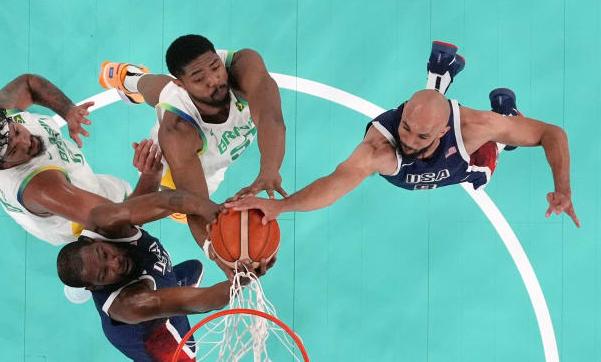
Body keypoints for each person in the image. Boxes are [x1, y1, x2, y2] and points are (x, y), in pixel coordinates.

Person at [227, 42, 581, 228]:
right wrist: (282, 206)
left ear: (444, 131)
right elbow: (336, 182)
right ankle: (444, 81)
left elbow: (552, 133)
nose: (408, 139)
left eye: (421, 136)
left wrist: (562, 189)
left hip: (464, 160)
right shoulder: (380, 147)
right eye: (406, 127)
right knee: (425, 118)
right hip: (426, 143)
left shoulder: (474, 127)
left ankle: (505, 116)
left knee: (488, 164)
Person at [0, 74, 165, 300]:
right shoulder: (41, 187)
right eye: (13, 151)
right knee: (110, 261)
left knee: (118, 191)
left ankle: (77, 278)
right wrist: (151, 176)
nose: (26, 141)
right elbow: (121, 220)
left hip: (78, 186)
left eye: (15, 132)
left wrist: (69, 111)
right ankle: (81, 284)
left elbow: (28, 84)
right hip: (72, 218)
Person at [100, 35, 287, 273]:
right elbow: (193, 202)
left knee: (161, 88)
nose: (214, 81)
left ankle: (132, 78)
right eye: (199, 78)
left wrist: (270, 169)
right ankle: (130, 78)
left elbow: (272, 118)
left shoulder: (244, 67)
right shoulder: (177, 130)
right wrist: (218, 255)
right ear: (183, 84)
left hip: (217, 151)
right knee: (180, 209)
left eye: (216, 68)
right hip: (193, 157)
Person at [57, 189, 270, 362]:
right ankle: (171, 301)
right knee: (184, 354)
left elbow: (165, 201)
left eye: (104, 253)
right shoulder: (131, 304)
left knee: (189, 269)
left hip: (152, 289)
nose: (115, 262)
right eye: (104, 273)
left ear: (94, 241)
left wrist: (215, 211)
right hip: (152, 337)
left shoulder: (103, 220)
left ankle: (170, 286)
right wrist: (243, 278)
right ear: (95, 287)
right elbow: (202, 301)